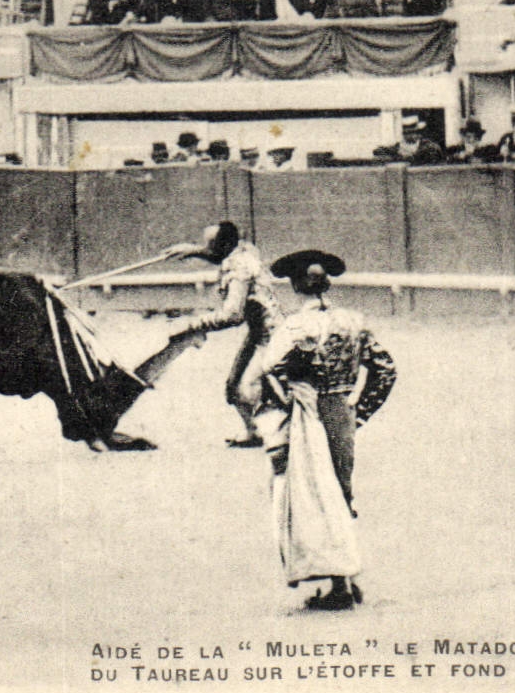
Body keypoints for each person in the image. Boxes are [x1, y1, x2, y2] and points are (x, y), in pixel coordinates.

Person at [253, 249, 397, 611]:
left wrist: (285, 401)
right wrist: (358, 413)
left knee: (312, 493)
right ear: (327, 283)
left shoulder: (292, 327)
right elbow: (386, 369)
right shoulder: (354, 320)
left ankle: (339, 585)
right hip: (342, 413)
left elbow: (269, 371)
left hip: (308, 415)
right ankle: (347, 577)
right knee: (341, 492)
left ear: (295, 285)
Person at [169, 222, 284, 448]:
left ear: (225, 245)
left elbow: (232, 315)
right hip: (261, 331)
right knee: (235, 385)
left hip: (270, 336)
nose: (207, 249)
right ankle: (255, 433)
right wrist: (192, 250)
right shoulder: (246, 251)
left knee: (247, 387)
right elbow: (218, 254)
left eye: (210, 244)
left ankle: (273, 433)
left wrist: (193, 324)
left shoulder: (239, 269)